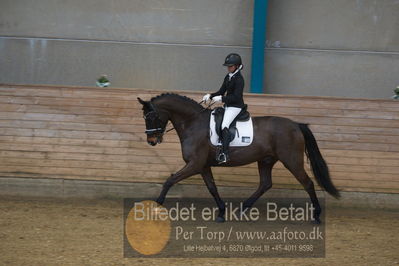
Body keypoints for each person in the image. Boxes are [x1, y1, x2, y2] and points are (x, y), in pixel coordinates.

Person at [202, 53, 245, 163]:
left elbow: (236, 97)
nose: (228, 68)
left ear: (237, 66)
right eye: (228, 66)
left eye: (230, 66)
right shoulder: (228, 77)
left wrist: (222, 99)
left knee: (224, 125)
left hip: (236, 107)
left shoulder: (239, 79)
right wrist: (210, 95)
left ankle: (224, 154)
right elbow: (221, 91)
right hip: (228, 106)